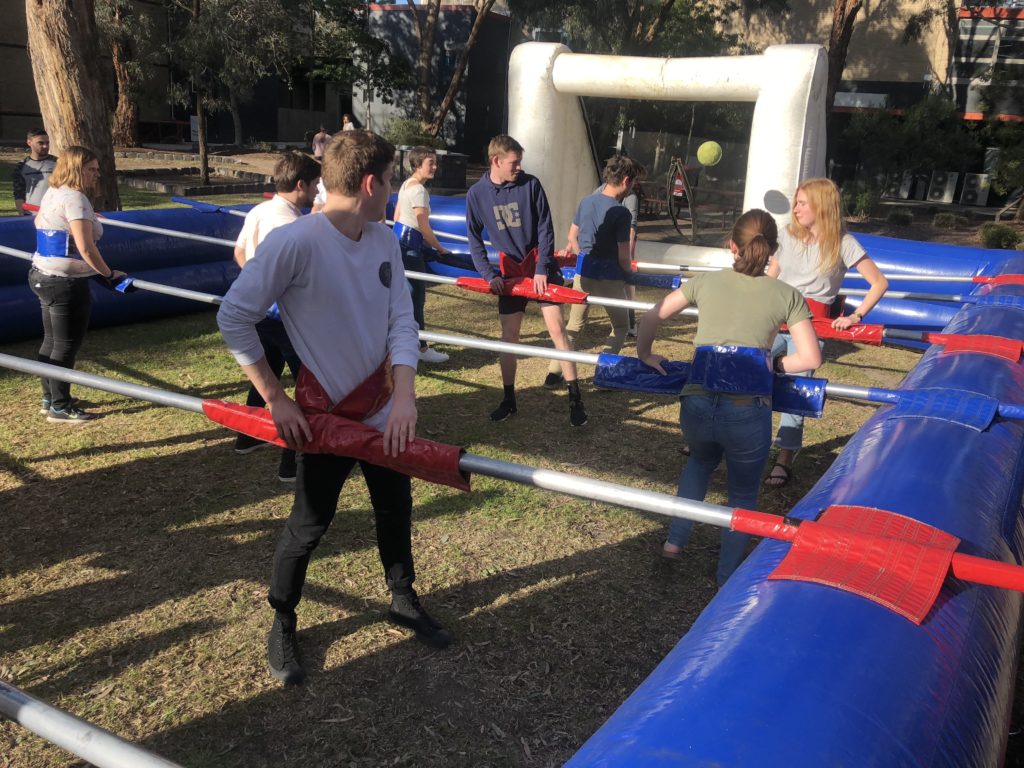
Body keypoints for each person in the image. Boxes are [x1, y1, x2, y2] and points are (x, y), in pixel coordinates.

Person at [217, 130, 451, 687]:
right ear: (371, 183)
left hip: (383, 409)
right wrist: (276, 399)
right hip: (325, 418)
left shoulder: (383, 238)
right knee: (309, 525)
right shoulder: (296, 243)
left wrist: (404, 395)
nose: (393, 189)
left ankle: (402, 598)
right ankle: (282, 619)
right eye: (392, 179)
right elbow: (234, 316)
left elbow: (400, 319)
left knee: (395, 507)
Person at [637, 209, 821, 586]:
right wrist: (772, 366)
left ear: (731, 246)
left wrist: (644, 354)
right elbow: (811, 358)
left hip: (697, 404)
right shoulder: (788, 295)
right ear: (774, 249)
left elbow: (652, 316)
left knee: (699, 464)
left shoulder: (703, 282)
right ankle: (727, 576)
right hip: (747, 413)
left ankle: (674, 542)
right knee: (742, 491)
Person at [763, 178, 888, 488]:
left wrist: (855, 315)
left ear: (822, 205)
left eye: (802, 202)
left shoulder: (844, 243)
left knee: (795, 391)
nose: (795, 208)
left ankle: (784, 459)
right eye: (796, 201)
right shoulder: (785, 236)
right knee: (749, 369)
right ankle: (733, 439)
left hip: (809, 325)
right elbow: (769, 279)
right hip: (775, 317)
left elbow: (879, 283)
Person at [465, 134, 588, 427]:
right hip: (509, 270)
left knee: (558, 329)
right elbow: (474, 238)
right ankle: (508, 400)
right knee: (509, 338)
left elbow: (546, 228)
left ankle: (575, 398)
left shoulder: (530, 184)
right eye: (514, 162)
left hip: (539, 264)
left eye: (520, 162)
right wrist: (488, 274)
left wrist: (543, 268)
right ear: (496, 161)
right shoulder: (477, 194)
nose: (519, 167)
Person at [231, 151, 321, 481]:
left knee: (266, 370)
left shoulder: (259, 210)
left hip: (260, 313)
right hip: (284, 317)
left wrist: (257, 285)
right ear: (301, 184)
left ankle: (248, 436)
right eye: (315, 184)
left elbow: (240, 252)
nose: (317, 190)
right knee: (307, 384)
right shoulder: (292, 225)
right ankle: (291, 460)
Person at [28, 146, 125, 422]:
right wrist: (108, 274)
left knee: (52, 341)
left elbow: (39, 222)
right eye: (91, 169)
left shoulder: (54, 193)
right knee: (66, 344)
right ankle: (60, 406)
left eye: (97, 169)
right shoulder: (75, 199)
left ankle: (51, 397)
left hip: (42, 275)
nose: (97, 174)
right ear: (75, 169)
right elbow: (87, 248)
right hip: (64, 282)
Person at [546, 155, 637, 386]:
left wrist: (583, 256)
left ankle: (553, 373)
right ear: (626, 180)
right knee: (621, 326)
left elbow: (571, 237)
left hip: (583, 274)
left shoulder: (586, 201)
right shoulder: (621, 213)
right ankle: (603, 372)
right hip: (609, 278)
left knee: (574, 327)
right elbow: (624, 255)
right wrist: (629, 275)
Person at [393, 145, 451, 364]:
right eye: (430, 163)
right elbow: (423, 225)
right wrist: (439, 247)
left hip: (400, 242)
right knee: (416, 296)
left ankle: (410, 342)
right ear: (417, 164)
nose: (434, 167)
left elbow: (398, 215)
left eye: (435, 162)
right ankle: (422, 347)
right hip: (410, 245)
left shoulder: (406, 185)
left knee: (407, 296)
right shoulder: (419, 190)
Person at [14, 128, 57, 215]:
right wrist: (22, 215)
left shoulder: (59, 163)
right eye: (40, 143)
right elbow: (19, 194)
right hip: (30, 215)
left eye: (47, 143)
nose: (45, 146)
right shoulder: (22, 166)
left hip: (53, 215)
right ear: (29, 142)